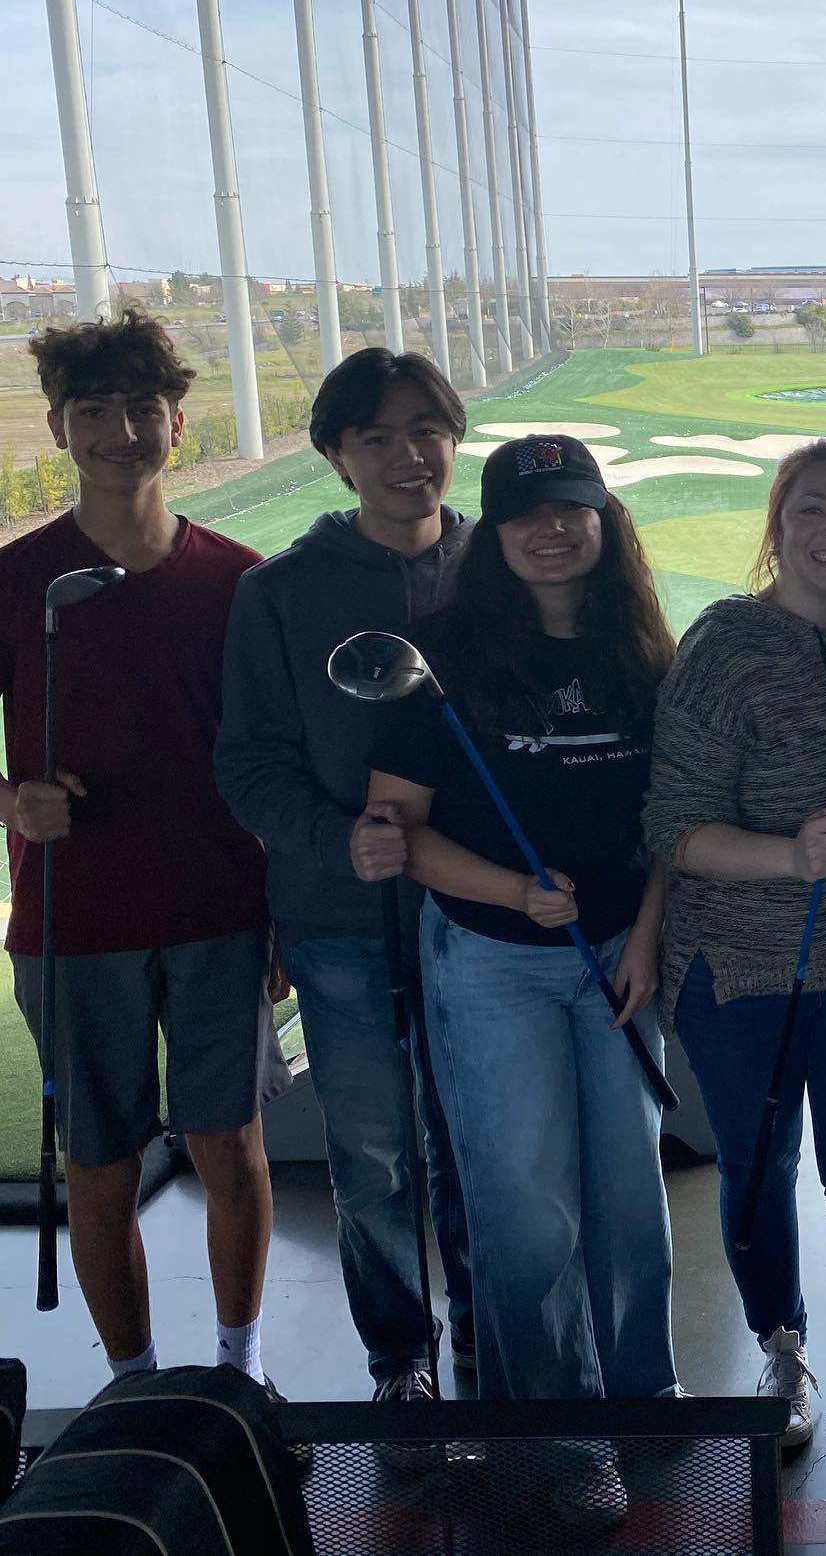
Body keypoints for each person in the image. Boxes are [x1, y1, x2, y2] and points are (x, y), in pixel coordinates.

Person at [361, 435, 677, 1529]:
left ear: (603, 521)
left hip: (616, 962)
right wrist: (510, 888)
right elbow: (401, 832)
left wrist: (646, 936)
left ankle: (642, 1399)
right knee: (529, 1217)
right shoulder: (441, 658)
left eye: (572, 509)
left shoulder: (642, 648)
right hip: (492, 964)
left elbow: (671, 819)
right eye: (526, 514)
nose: (552, 530)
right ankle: (562, 1436)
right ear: (493, 534)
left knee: (629, 1201)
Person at [0, 307, 288, 1389]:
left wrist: (283, 910)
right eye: (93, 411)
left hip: (222, 909)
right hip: (73, 922)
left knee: (231, 1146)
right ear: (58, 428)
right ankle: (134, 1386)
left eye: (142, 408)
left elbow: (277, 757)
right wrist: (10, 802)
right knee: (101, 1164)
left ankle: (237, 1372)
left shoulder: (240, 580)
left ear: (176, 419)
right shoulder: (20, 580)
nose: (121, 432)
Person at [645, 440, 826, 1483]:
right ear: (778, 523)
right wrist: (786, 857)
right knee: (760, 1170)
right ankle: (781, 1351)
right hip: (737, 967)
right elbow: (673, 826)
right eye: (813, 509)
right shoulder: (723, 642)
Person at [215, 347, 480, 1408]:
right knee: (375, 1156)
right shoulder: (279, 592)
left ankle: (493, 1343)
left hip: (486, 923)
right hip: (341, 922)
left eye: (427, 430)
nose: (409, 455)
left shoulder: (498, 569)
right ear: (336, 454)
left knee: (480, 1148)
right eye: (377, 436)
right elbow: (248, 763)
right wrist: (334, 841)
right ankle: (401, 1359)